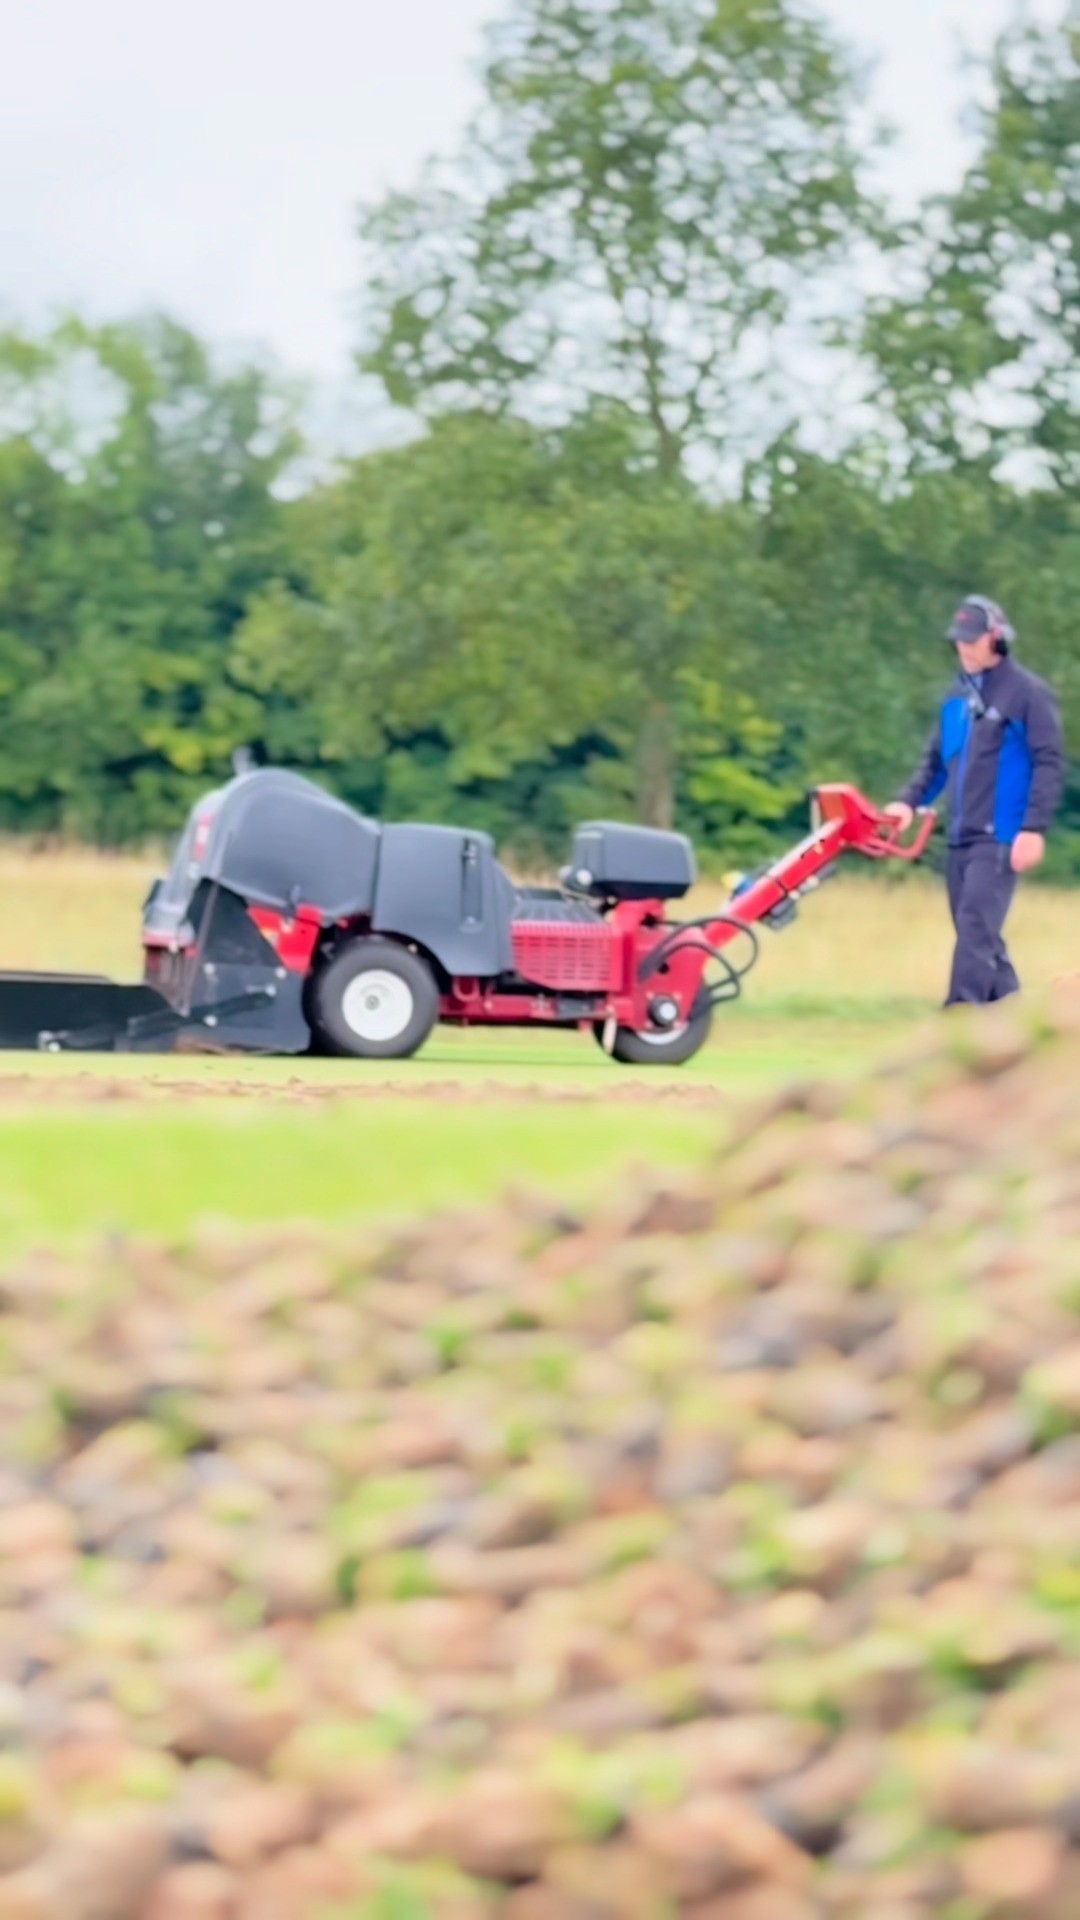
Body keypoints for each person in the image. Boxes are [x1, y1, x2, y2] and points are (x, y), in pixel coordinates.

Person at [885, 595, 1065, 1007]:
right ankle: (1019, 1026)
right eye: (959, 640)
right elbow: (935, 763)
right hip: (960, 837)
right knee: (980, 938)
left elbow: (1049, 763)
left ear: (996, 640)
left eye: (972, 640)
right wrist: (906, 803)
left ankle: (956, 1032)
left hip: (1001, 836)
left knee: (975, 931)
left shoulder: (1027, 694)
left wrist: (1033, 829)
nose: (964, 648)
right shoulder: (956, 697)